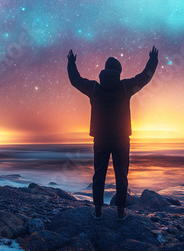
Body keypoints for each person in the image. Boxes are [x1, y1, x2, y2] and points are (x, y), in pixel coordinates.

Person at [67, 46, 158, 220]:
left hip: (101, 139)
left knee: (99, 174)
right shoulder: (125, 87)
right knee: (121, 175)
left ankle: (98, 210)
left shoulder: (94, 88)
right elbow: (145, 77)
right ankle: (120, 211)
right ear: (118, 71)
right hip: (121, 139)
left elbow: (75, 80)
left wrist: (71, 63)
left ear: (105, 70)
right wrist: (153, 60)